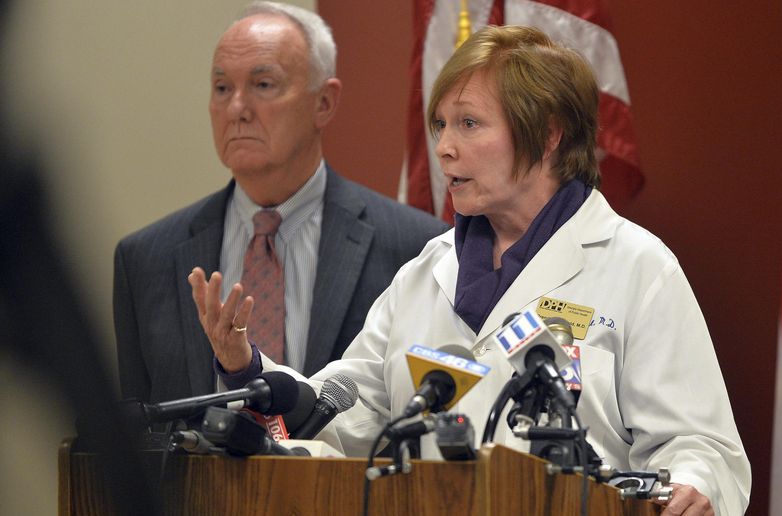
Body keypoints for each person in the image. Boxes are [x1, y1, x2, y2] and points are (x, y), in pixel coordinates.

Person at [191, 25, 750, 515]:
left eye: (469, 123)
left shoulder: (638, 268)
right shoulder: (424, 272)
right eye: (440, 125)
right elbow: (346, 415)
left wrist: (693, 484)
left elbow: (702, 448)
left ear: (548, 134)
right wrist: (247, 369)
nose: (444, 148)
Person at [114, 1, 449, 405]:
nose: (236, 109)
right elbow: (138, 429)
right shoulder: (146, 260)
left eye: (263, 84)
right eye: (222, 88)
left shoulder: (414, 248)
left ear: (324, 102)